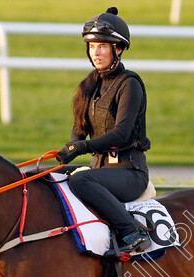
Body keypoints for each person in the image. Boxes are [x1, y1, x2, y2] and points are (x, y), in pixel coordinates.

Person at [56, 7, 152, 255]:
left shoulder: (130, 84)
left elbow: (121, 134)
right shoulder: (89, 85)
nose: (95, 52)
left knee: (79, 179)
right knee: (50, 177)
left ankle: (133, 232)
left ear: (118, 49)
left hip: (130, 173)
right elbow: (79, 130)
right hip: (100, 170)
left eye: (102, 46)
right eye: (91, 47)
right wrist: (71, 147)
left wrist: (82, 147)